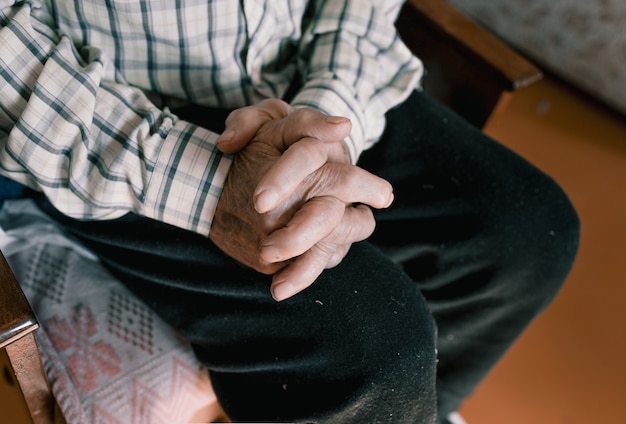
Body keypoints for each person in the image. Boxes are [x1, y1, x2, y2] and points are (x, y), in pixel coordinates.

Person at [0, 1, 579, 423]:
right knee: (368, 351)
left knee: (525, 233)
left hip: (296, 77)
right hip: (103, 119)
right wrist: (217, 190)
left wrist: (328, 127)